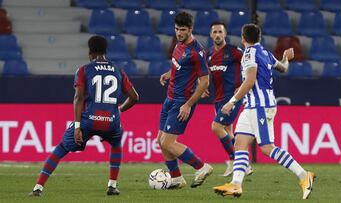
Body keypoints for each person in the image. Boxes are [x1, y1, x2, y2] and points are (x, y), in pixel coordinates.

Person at [213, 24, 315, 199]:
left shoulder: (248, 54)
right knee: (240, 143)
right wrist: (285, 58)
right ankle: (236, 185)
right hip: (252, 106)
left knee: (267, 148)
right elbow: (283, 68)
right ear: (258, 38)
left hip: (259, 106)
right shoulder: (265, 52)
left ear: (243, 38)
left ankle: (304, 176)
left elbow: (250, 81)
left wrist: (231, 101)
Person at [29, 35, 139, 196]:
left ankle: (38, 188)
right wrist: (119, 111)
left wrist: (77, 126)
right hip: (111, 122)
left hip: (89, 120)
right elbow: (135, 97)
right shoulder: (118, 70)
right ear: (105, 51)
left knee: (61, 148)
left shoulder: (84, 70)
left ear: (90, 53)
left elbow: (79, 98)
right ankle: (112, 186)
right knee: (116, 142)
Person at [158, 11, 213, 189]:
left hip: (182, 101)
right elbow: (179, 68)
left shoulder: (197, 52)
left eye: (183, 30)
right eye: (176, 29)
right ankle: (176, 178)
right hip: (170, 97)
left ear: (191, 29)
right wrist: (168, 74)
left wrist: (188, 104)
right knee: (161, 140)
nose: (179, 33)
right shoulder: (178, 44)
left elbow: (205, 80)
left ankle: (202, 167)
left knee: (168, 142)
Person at [204, 21, 253, 177]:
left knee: (216, 127)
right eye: (215, 32)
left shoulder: (234, 52)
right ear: (211, 35)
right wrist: (202, 85)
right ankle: (242, 164)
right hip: (217, 97)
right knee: (226, 130)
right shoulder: (209, 54)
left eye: (220, 31)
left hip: (232, 97)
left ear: (225, 34)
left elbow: (250, 64)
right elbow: (203, 71)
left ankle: (236, 160)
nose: (217, 34)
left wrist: (244, 83)